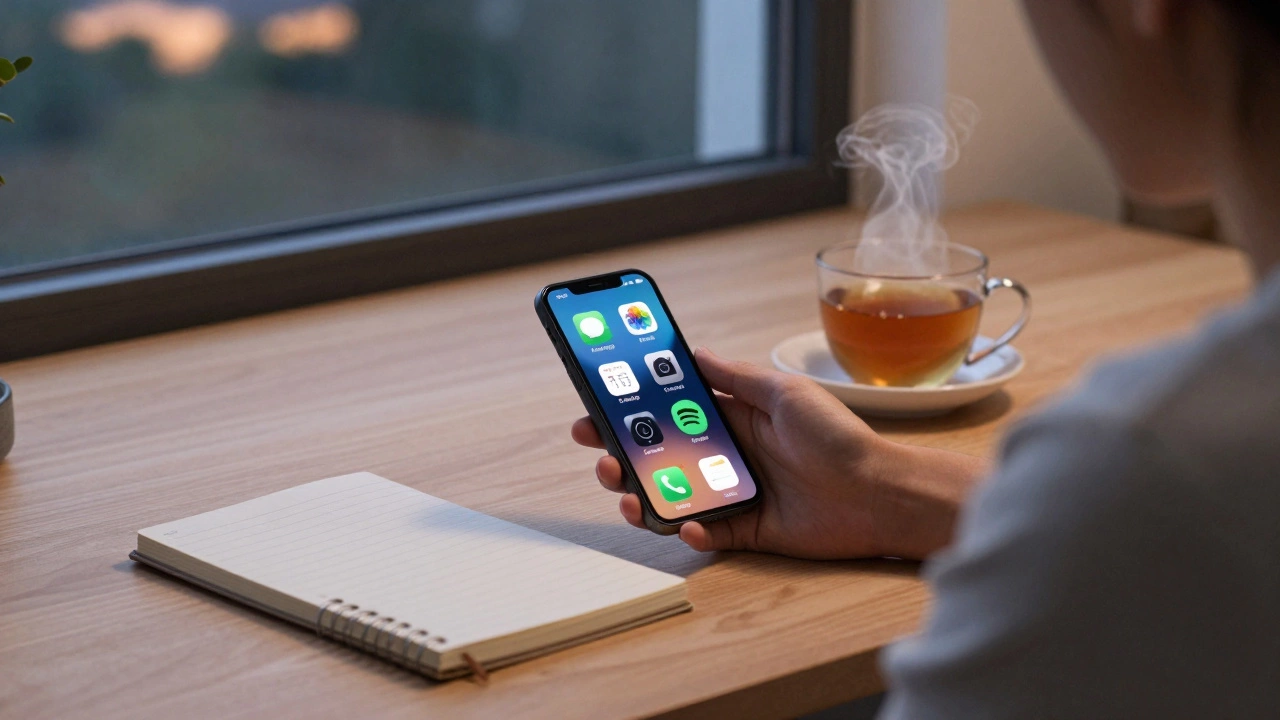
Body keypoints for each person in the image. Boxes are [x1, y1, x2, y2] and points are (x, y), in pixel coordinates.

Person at [571, 1, 1280, 716]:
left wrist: (1075, 496)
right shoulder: (1154, 473)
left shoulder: (1147, 462)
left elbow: (1138, 522)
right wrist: (880, 489)